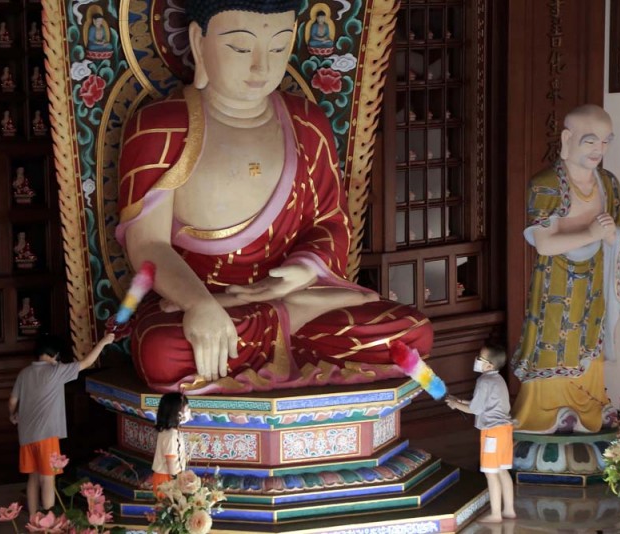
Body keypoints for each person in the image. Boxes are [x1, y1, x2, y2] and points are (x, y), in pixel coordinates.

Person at [116, 0, 433, 394]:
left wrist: (303, 270)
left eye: (279, 47)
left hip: (291, 296)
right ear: (199, 42)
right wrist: (198, 304)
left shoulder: (306, 123)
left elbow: (331, 223)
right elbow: (148, 245)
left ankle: (287, 317)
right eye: (240, 47)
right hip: (203, 299)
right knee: (162, 352)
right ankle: (285, 324)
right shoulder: (160, 126)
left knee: (412, 333)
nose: (261, 67)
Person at [511, 104, 620, 433]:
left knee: (590, 339)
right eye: (590, 141)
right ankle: (545, 412)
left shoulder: (608, 183)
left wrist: (614, 236)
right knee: (553, 337)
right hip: (556, 281)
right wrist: (592, 233)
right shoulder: (546, 184)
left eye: (605, 142)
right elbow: (544, 244)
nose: (599, 150)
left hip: (595, 278)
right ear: (567, 139)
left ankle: (589, 407)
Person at [9, 333, 115, 513]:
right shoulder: (56, 371)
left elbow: (12, 400)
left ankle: (33, 521)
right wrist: (104, 342)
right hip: (47, 435)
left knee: (33, 478)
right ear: (56, 354)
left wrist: (12, 415)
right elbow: (86, 363)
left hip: (26, 435)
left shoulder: (24, 373)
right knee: (48, 479)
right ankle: (48, 523)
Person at [446, 345, 515, 523]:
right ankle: (509, 510)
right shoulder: (498, 379)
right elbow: (482, 404)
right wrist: (458, 400)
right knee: (502, 471)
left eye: (480, 358)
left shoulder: (484, 381)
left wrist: (455, 405)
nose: (477, 360)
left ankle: (496, 514)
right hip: (505, 431)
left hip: (492, 432)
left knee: (491, 473)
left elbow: (475, 409)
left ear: (489, 365)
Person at [151, 392, 191, 497]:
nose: (189, 412)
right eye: (187, 409)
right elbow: (170, 462)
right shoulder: (171, 435)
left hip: (168, 477)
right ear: (178, 413)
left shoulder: (170, 432)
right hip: (166, 479)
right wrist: (177, 482)